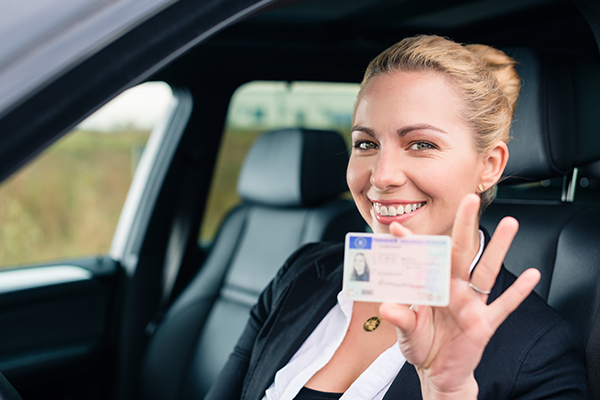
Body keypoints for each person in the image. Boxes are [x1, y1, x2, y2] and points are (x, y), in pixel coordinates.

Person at [205, 35, 588, 400]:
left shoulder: (539, 349)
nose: (382, 175)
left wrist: (447, 394)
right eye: (366, 144)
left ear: (489, 165)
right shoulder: (301, 273)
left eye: (421, 144)